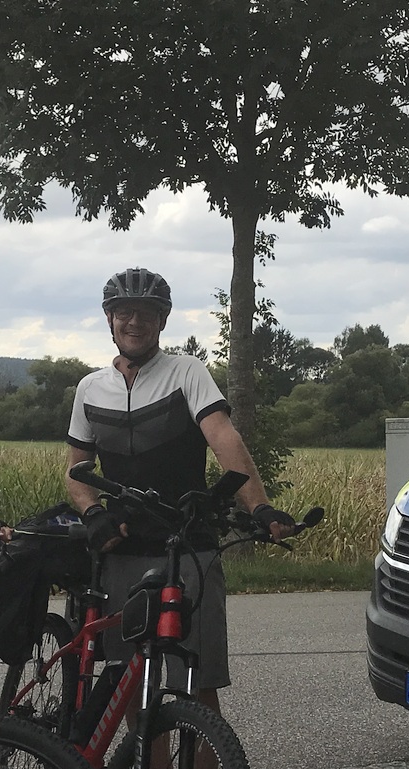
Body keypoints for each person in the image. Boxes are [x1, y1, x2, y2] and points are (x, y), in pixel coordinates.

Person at [64, 268, 296, 722]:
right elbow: (77, 470)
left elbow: (225, 439)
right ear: (109, 319)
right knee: (128, 681)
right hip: (124, 546)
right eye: (125, 312)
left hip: (190, 548)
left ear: (162, 321)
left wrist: (260, 506)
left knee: (198, 687)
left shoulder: (187, 372)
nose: (135, 322)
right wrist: (93, 513)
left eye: (147, 314)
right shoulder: (90, 388)